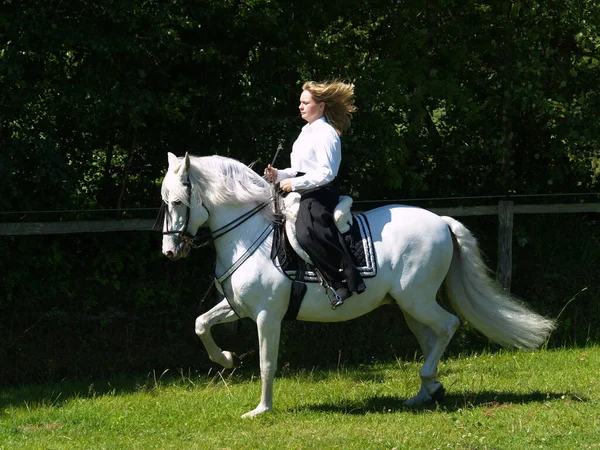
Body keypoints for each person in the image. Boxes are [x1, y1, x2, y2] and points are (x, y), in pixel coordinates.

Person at [265, 80, 366, 308]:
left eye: (305, 103)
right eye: (300, 103)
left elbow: (327, 172)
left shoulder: (327, 133)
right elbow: (297, 168)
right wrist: (278, 174)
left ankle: (341, 282)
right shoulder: (305, 133)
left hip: (322, 191)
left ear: (320, 106)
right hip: (306, 187)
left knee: (306, 232)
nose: (300, 107)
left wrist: (295, 183)